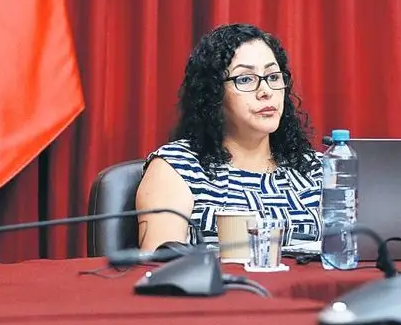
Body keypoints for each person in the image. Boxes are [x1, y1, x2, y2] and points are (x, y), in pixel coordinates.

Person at [136, 23, 323, 251]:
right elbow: (160, 270)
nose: (266, 91)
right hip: (222, 287)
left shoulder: (315, 169)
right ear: (213, 94)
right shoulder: (177, 168)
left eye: (273, 76)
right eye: (245, 79)